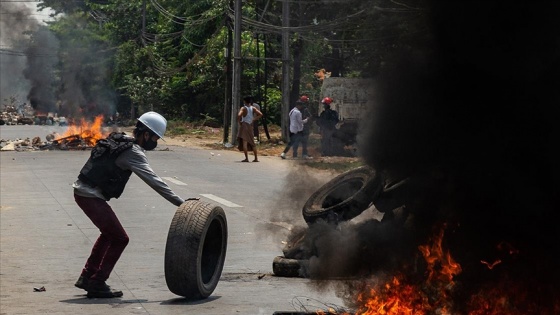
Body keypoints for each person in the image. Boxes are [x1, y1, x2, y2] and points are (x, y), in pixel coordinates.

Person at [72, 111, 193, 298]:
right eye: (155, 138)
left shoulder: (121, 139)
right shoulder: (133, 152)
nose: (155, 142)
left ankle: (87, 276)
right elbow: (155, 182)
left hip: (83, 191)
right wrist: (182, 204)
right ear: (146, 135)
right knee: (120, 238)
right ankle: (97, 282)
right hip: (89, 195)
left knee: (108, 234)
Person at [237, 96, 263, 162]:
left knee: (245, 142)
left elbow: (239, 115)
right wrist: (253, 119)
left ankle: (246, 158)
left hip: (244, 125)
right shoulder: (253, 108)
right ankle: (256, 158)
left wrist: (239, 122)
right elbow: (260, 114)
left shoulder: (243, 108)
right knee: (252, 142)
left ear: (245, 101)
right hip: (250, 125)